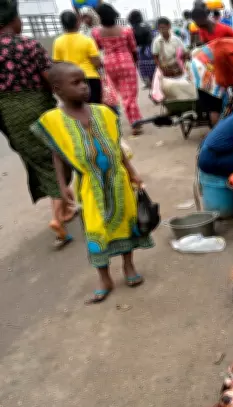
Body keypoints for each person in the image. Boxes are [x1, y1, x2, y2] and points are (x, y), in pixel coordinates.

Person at [32, 62, 152, 304]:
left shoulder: (103, 112)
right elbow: (58, 153)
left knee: (127, 223)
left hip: (118, 180)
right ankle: (104, 277)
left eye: (84, 81)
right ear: (57, 89)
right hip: (90, 185)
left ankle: (128, 266)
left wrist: (132, 171)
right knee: (96, 230)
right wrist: (62, 184)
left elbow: (116, 146)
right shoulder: (53, 120)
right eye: (75, 83)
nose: (84, 87)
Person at [0, 0, 75, 247]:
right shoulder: (28, 45)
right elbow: (50, 78)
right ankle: (58, 217)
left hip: (8, 115)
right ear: (13, 20)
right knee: (56, 157)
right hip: (37, 108)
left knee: (40, 161)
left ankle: (64, 207)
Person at [93, 4, 143, 134]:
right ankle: (135, 123)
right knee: (130, 95)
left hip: (109, 64)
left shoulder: (97, 33)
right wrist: (135, 63)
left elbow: (97, 48)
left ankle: (122, 120)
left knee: (118, 94)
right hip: (126, 62)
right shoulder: (126, 31)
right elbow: (133, 48)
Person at [53, 10, 103, 104]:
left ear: (63, 25)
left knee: (76, 111)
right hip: (90, 78)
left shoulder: (58, 42)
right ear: (77, 23)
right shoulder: (87, 40)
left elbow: (57, 65)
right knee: (95, 110)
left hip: (70, 81)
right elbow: (97, 63)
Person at [128, 10, 156, 89]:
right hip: (149, 49)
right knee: (152, 66)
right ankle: (154, 81)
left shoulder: (131, 29)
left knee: (142, 68)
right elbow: (151, 38)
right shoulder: (147, 26)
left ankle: (148, 83)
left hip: (138, 50)